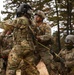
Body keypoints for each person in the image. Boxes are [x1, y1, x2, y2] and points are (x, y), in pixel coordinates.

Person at [6, 3, 39, 75]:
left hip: (19, 48)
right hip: (30, 48)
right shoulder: (31, 23)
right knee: (31, 69)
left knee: (11, 68)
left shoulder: (22, 19)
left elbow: (8, 24)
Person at [33, 10, 53, 75]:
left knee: (50, 65)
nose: (35, 17)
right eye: (35, 15)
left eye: (37, 16)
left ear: (41, 18)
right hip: (35, 49)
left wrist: (39, 38)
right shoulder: (33, 26)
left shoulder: (46, 26)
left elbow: (48, 36)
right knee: (30, 65)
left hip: (44, 49)